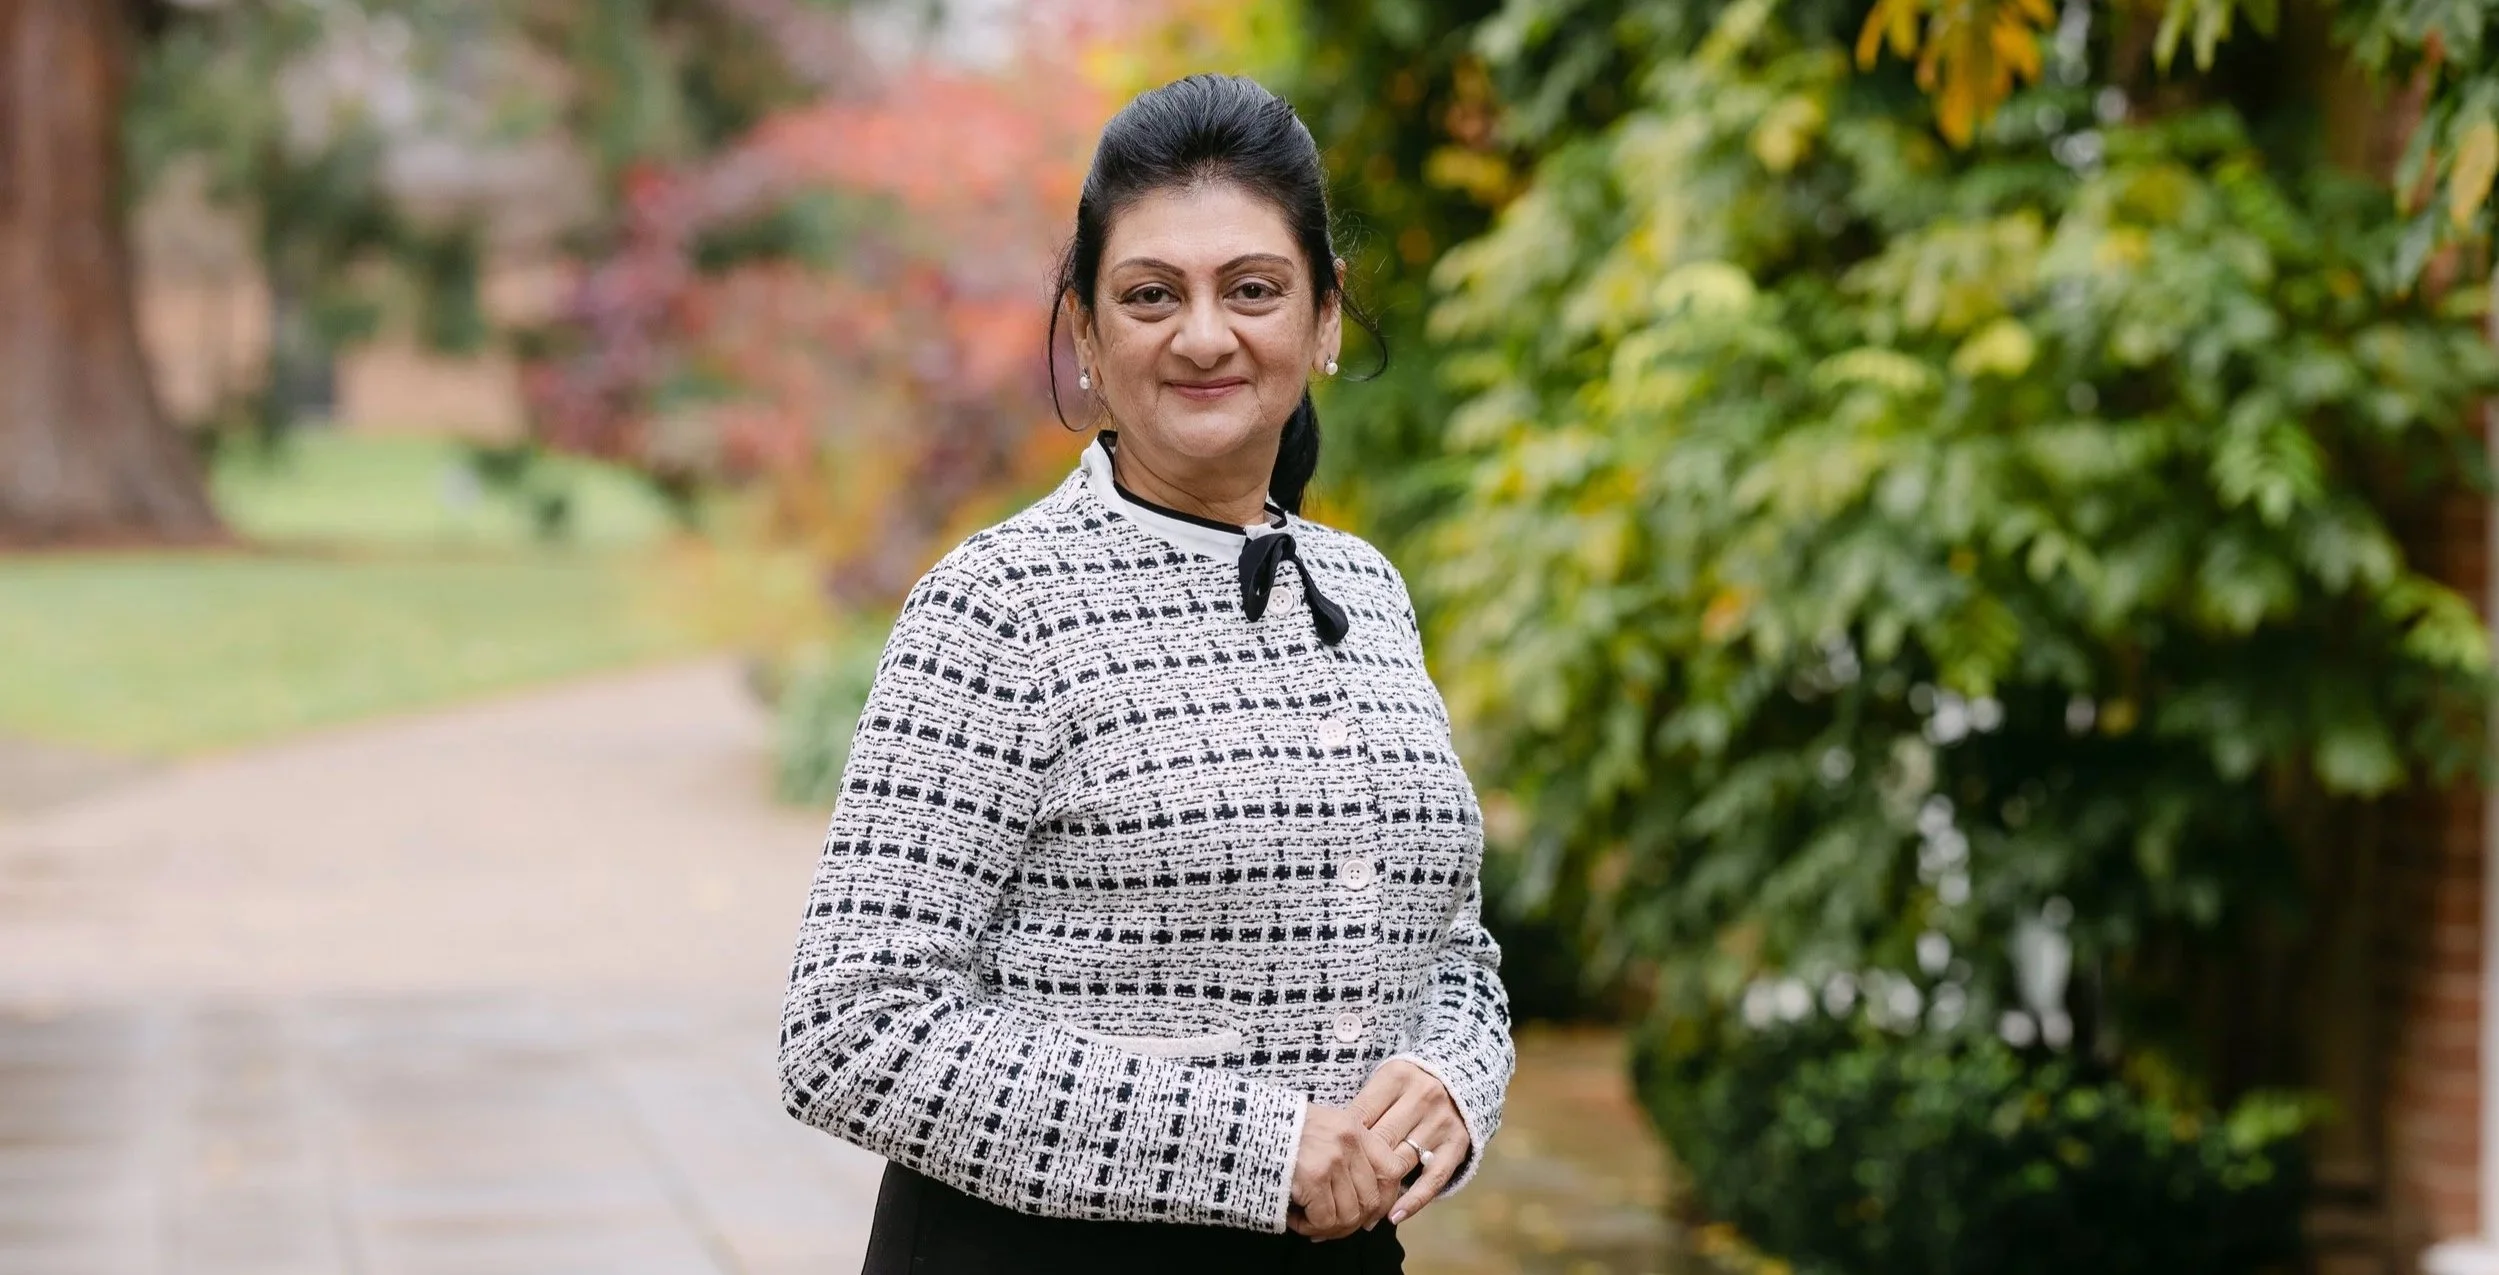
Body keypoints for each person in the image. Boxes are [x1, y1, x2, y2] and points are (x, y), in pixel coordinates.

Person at [778, 72, 1515, 1274]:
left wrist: (1452, 1076)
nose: (1206, 333)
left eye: (1255, 289)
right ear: (1087, 334)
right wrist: (1256, 1148)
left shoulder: (1367, 594)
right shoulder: (998, 607)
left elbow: (1449, 948)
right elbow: (853, 1029)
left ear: (1326, 319)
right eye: (1152, 294)